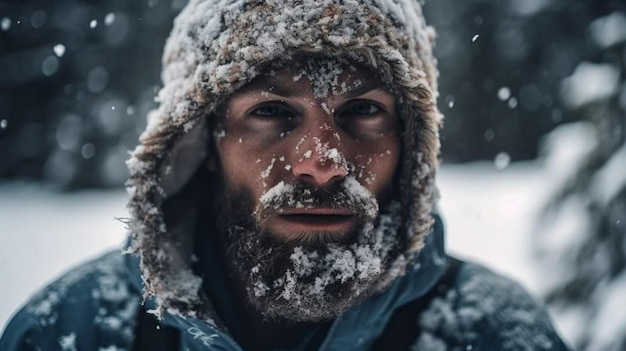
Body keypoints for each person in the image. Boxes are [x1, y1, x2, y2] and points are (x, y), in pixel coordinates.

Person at [1, 0, 571, 350]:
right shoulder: (70, 332)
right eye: (272, 112)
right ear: (203, 141)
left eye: (363, 111)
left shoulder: (495, 334)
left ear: (411, 146)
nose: (322, 163)